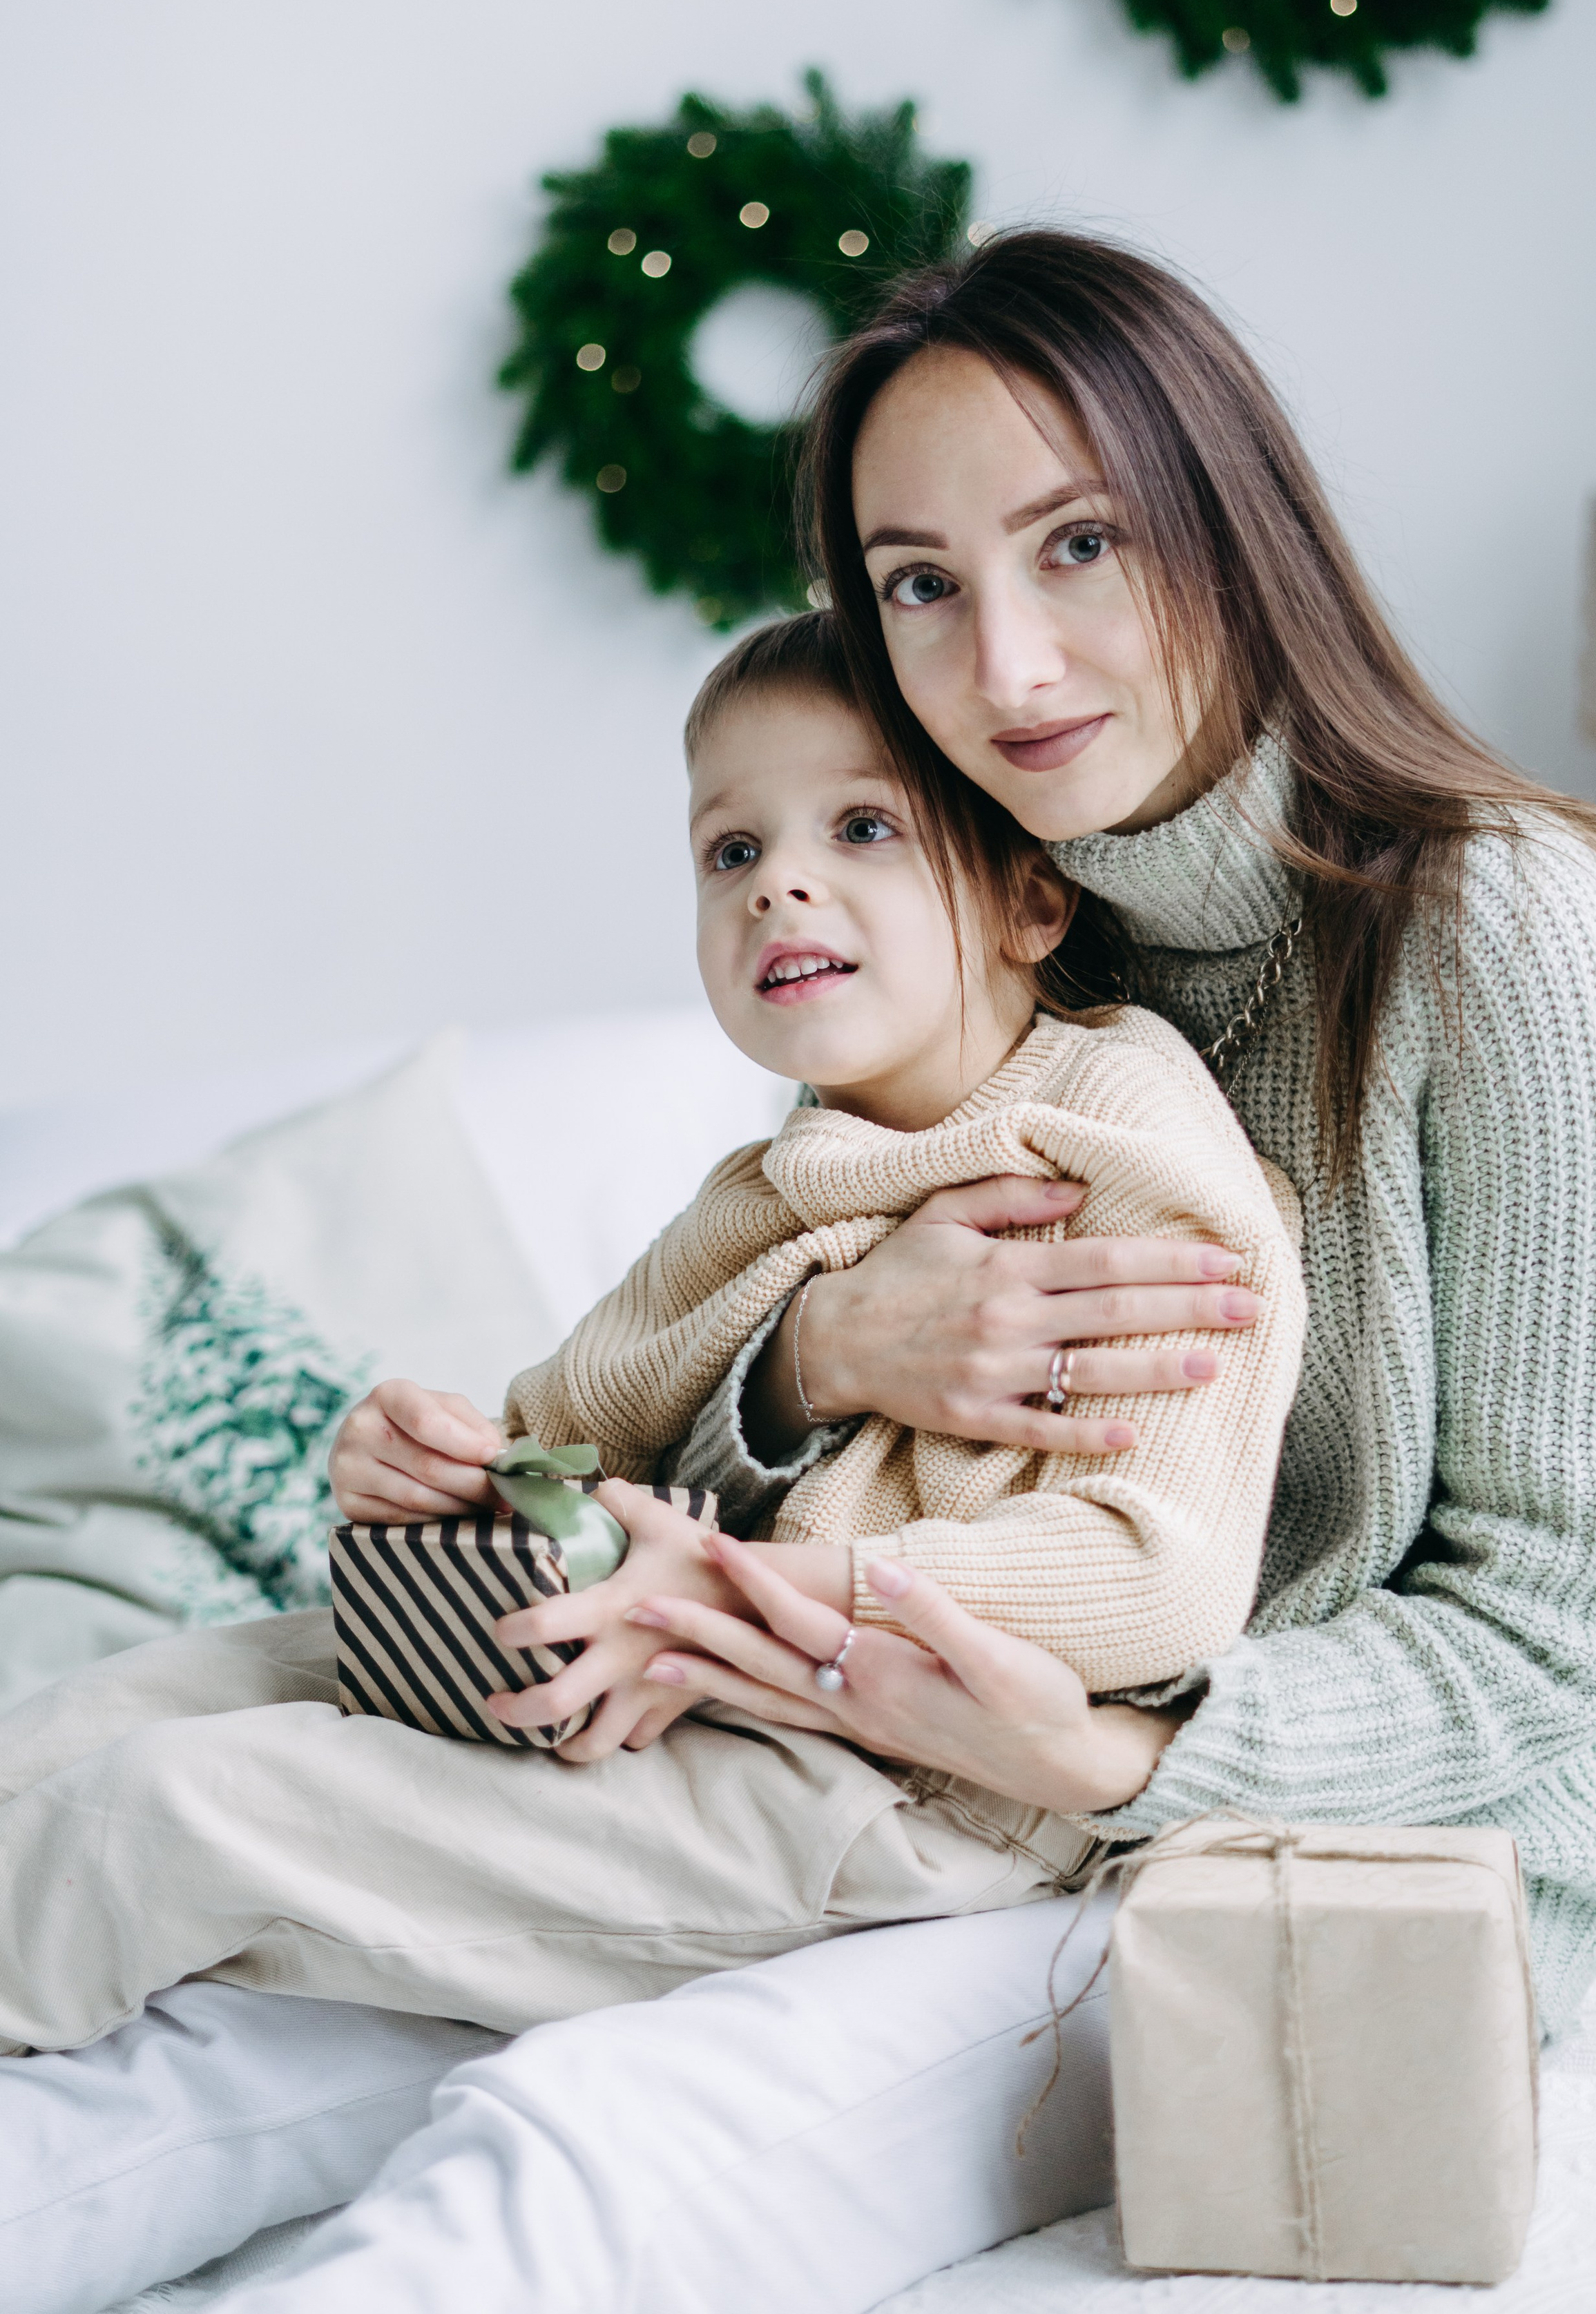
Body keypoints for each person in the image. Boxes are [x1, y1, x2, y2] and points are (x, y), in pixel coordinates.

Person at [3, 230, 1596, 2314]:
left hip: (1298, 1863)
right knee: (188, 1920)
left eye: (1078, 545)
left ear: (1230, 520)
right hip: (865, 1728)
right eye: (920, 583)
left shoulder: (1502, 940)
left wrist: (1095, 1755)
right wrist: (807, 1361)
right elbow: (787, 1474)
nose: (1008, 665)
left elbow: (1542, 1649)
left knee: (558, 2145)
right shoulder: (981, 898)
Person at [0, 608, 1306, 2058]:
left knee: (164, 1815)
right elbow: (563, 1433)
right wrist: (438, 1462)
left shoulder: (1120, 1136)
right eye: (730, 850)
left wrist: (735, 1594)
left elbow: (1158, 1582)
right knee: (123, 1705)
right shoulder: (770, 1182)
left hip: (910, 1786)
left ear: (1028, 901)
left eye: (862, 827)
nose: (777, 884)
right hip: (683, 1682)